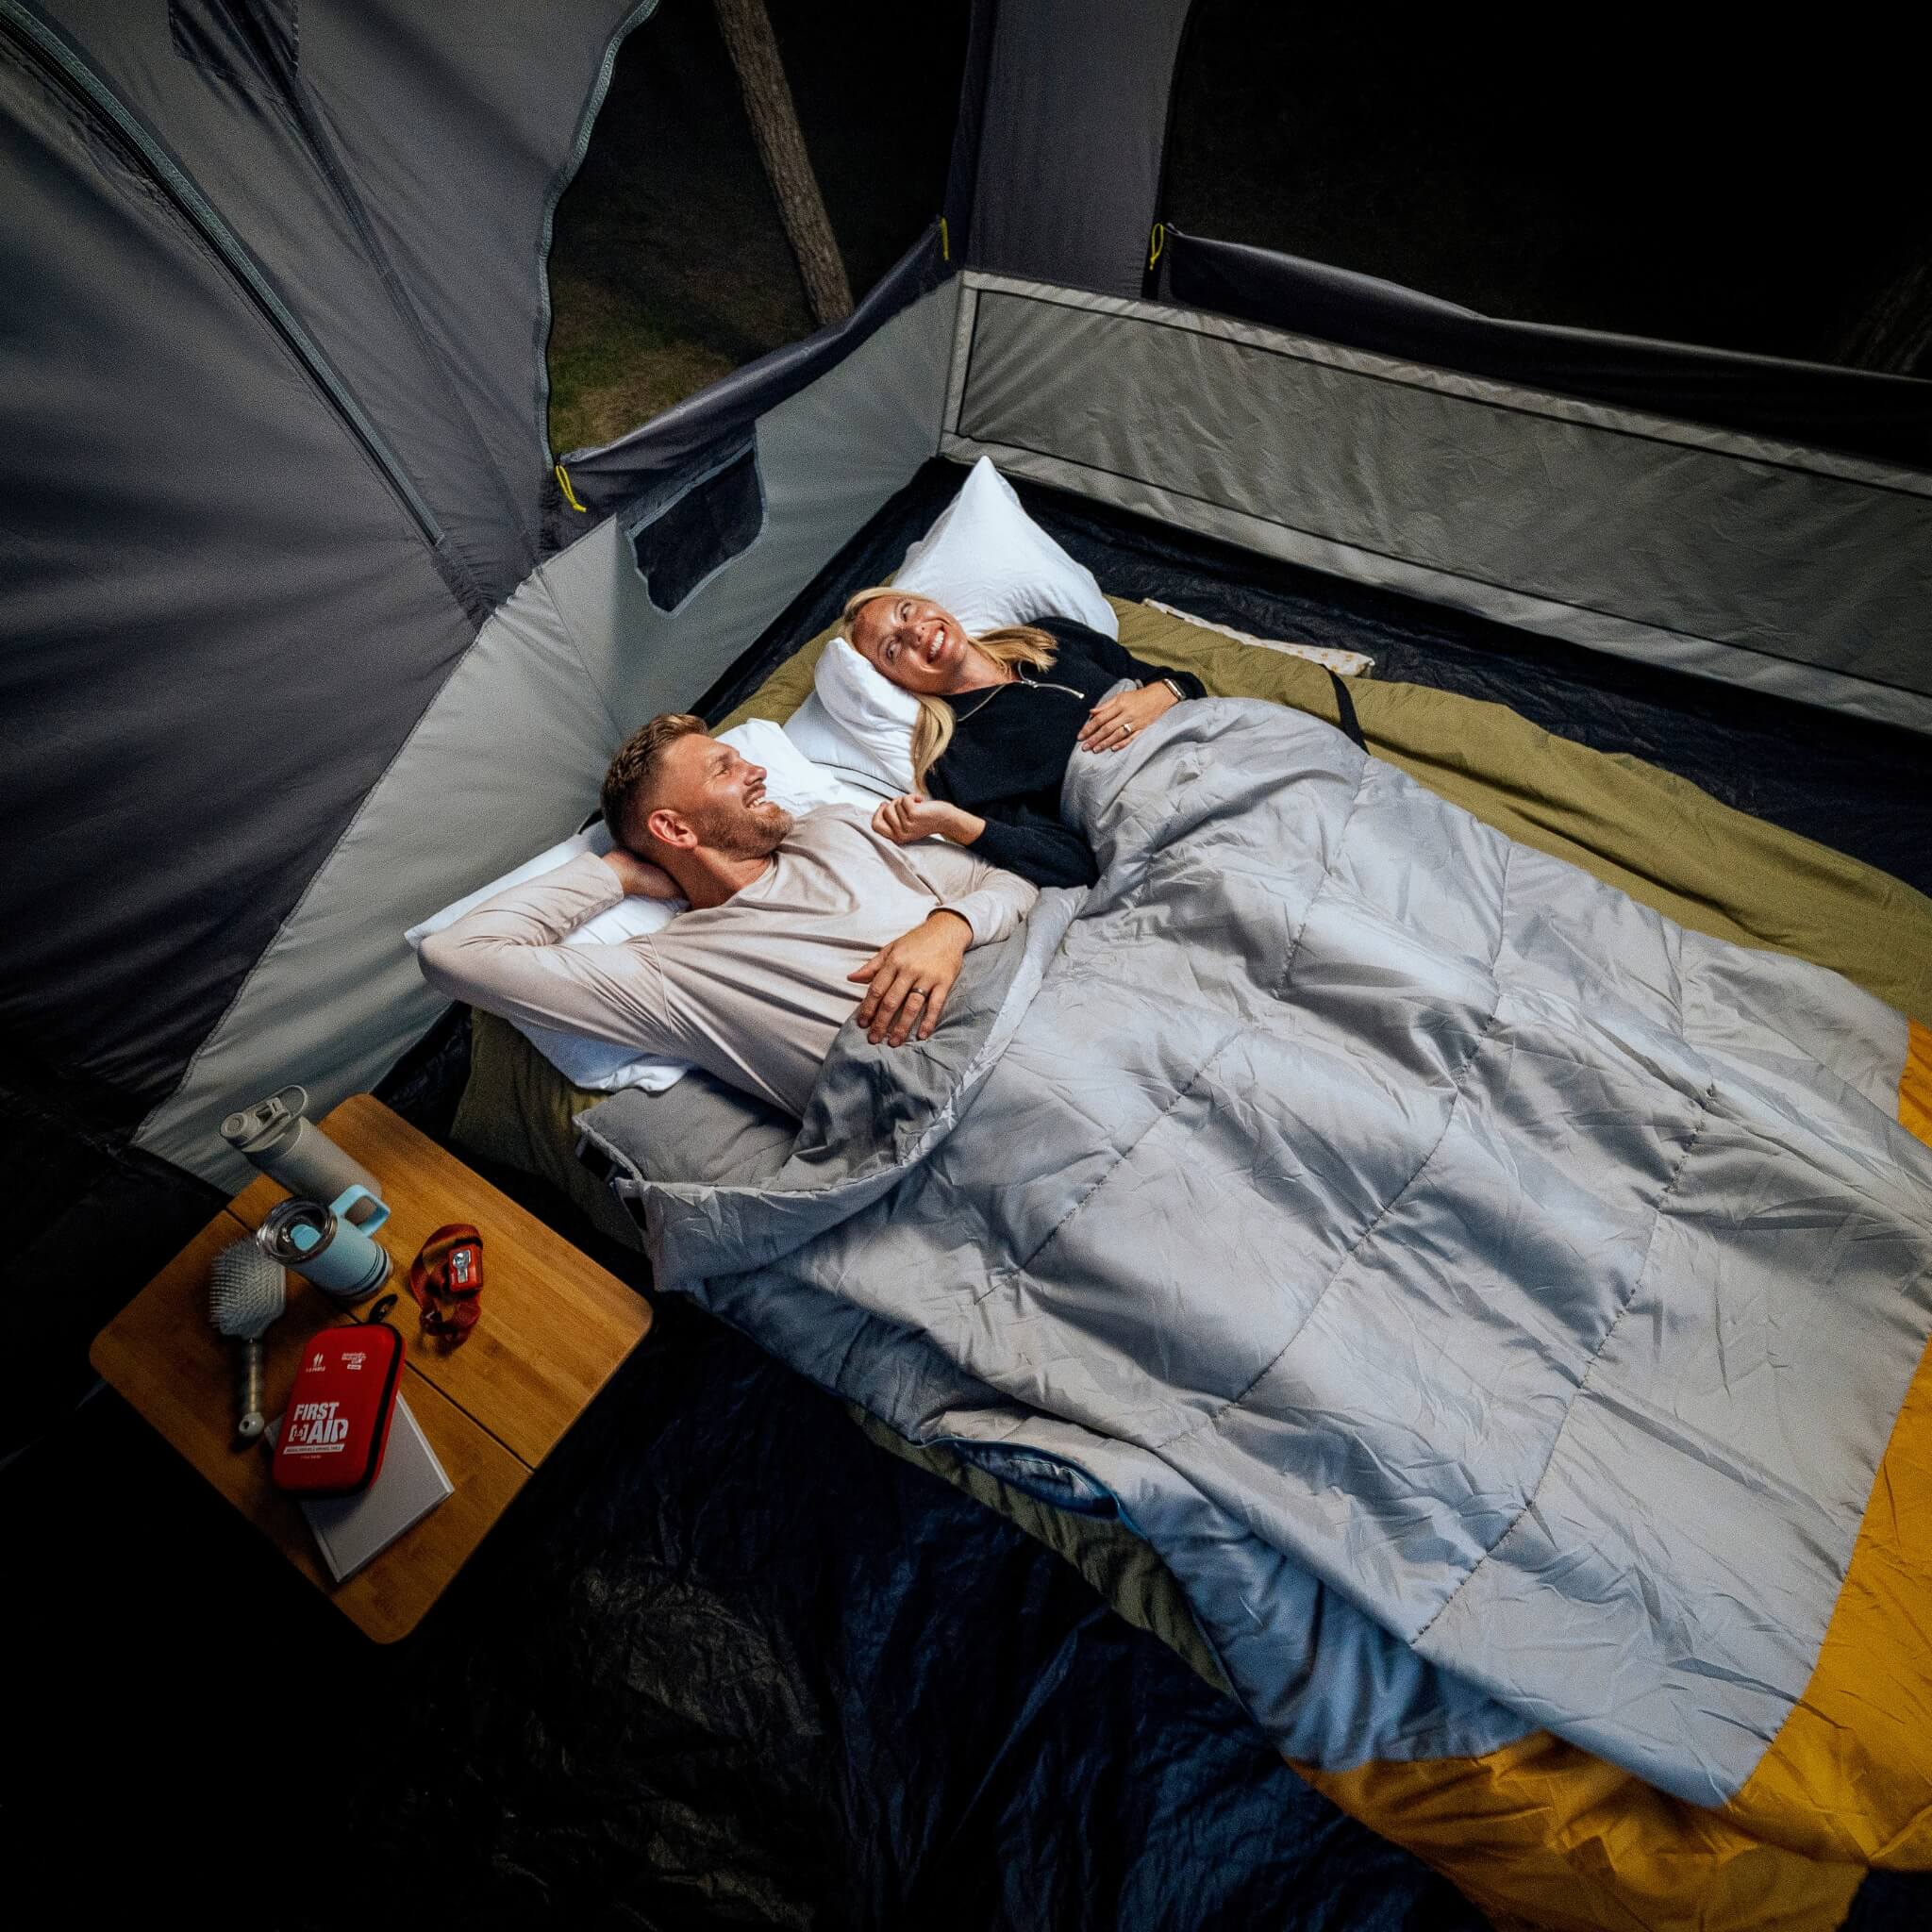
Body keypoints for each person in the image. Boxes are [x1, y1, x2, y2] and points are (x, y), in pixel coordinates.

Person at [418, 713, 1037, 1118]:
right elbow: (455, 956)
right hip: (964, 1104)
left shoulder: (837, 828)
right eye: (726, 768)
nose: (757, 769)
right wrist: (616, 874)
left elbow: (1008, 880)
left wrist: (948, 929)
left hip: (1038, 1004)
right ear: (672, 827)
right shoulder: (669, 975)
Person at [842, 589, 1208, 889]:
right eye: (893, 649)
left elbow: (1180, 682)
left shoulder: (1049, 636)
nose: (915, 633)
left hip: (1207, 743)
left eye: (907, 612)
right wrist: (953, 823)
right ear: (894, 683)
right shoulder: (958, 757)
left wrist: (1164, 692)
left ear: (932, 603)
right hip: (1163, 818)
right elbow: (1072, 865)